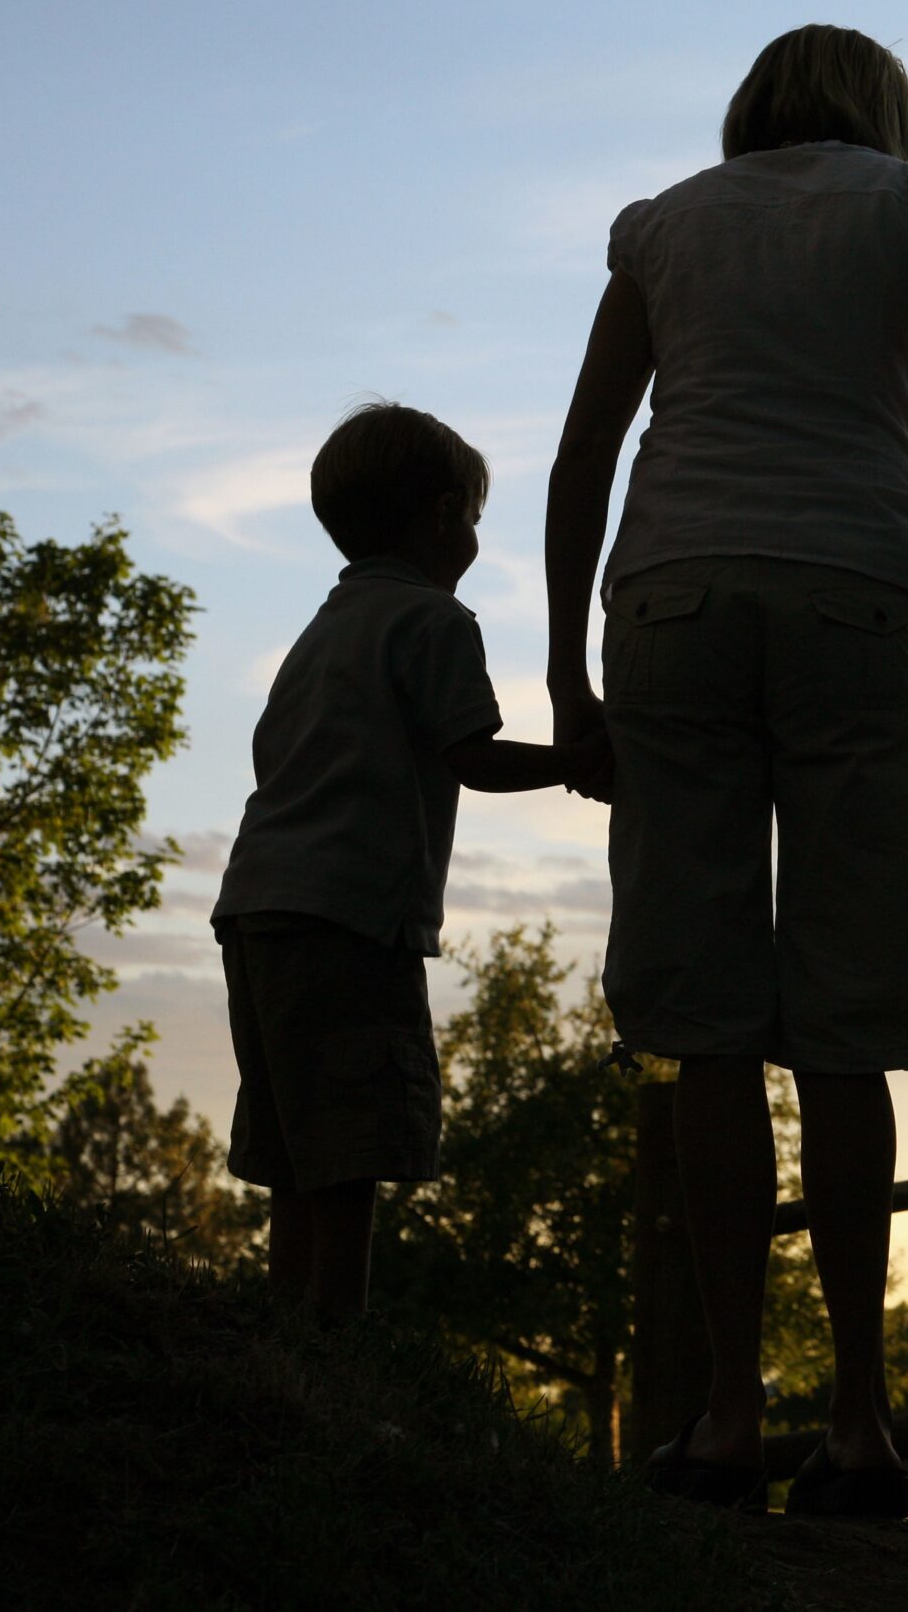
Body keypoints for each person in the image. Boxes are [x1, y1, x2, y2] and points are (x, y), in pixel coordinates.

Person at [543, 25, 908, 1516]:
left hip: (671, 595)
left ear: (751, 109)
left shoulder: (666, 225)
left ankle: (731, 1412)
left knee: (708, 1027)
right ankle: (859, 1421)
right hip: (858, 590)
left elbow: (586, 450)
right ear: (885, 111)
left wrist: (561, 667)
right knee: (848, 1024)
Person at [212, 401, 588, 1322]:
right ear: (444, 513)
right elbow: (473, 757)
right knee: (352, 1142)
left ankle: (287, 1331)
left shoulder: (321, 630)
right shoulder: (433, 622)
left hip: (257, 906)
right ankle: (340, 1354)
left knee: (296, 1149)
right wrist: (578, 764)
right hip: (352, 916)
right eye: (473, 516)